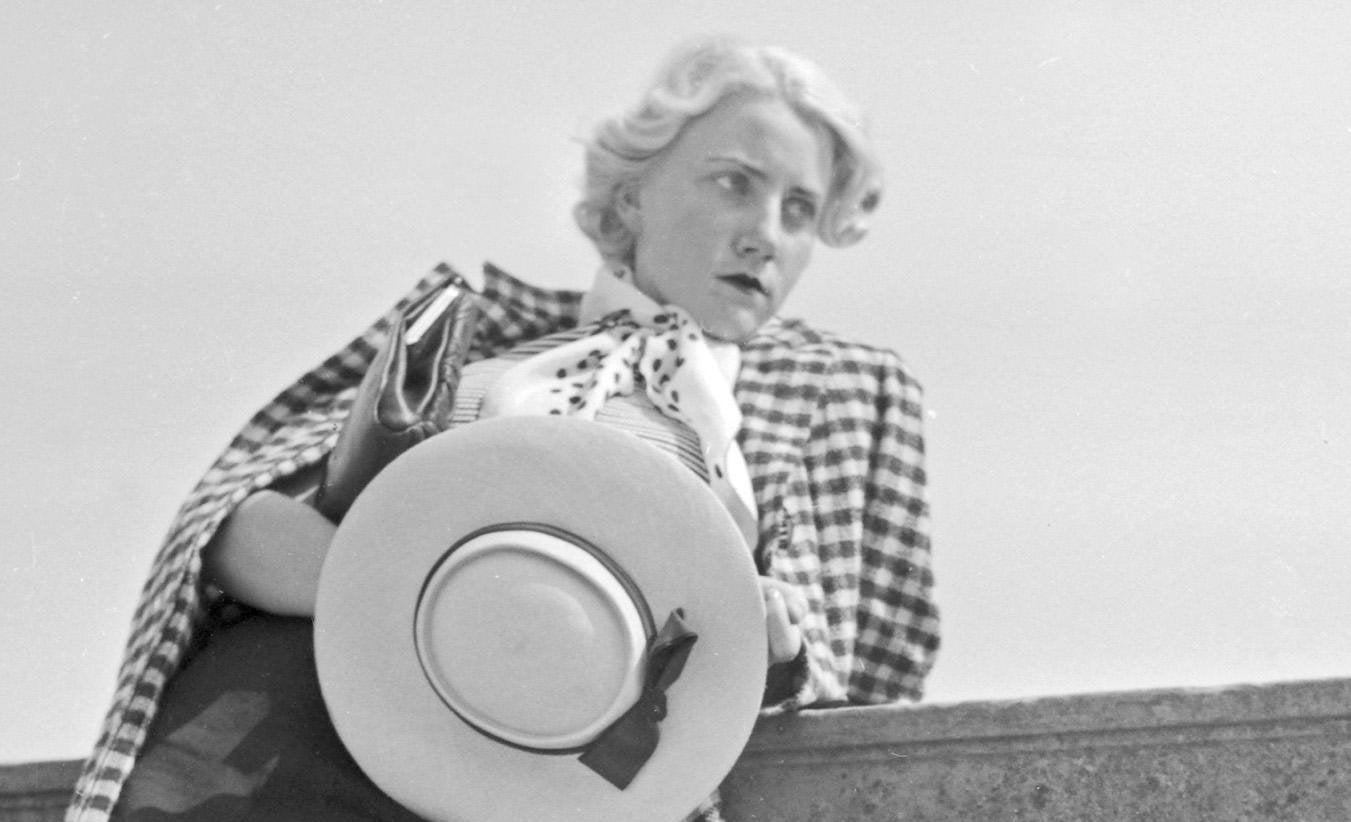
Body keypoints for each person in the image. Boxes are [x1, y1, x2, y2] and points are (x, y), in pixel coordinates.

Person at [70, 37, 939, 822]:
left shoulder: (845, 388)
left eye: (798, 209)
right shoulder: (480, 330)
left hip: (590, 769)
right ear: (630, 197)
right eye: (733, 183)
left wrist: (761, 641)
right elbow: (234, 529)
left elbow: (859, 663)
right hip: (311, 733)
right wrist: (444, 598)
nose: (764, 235)